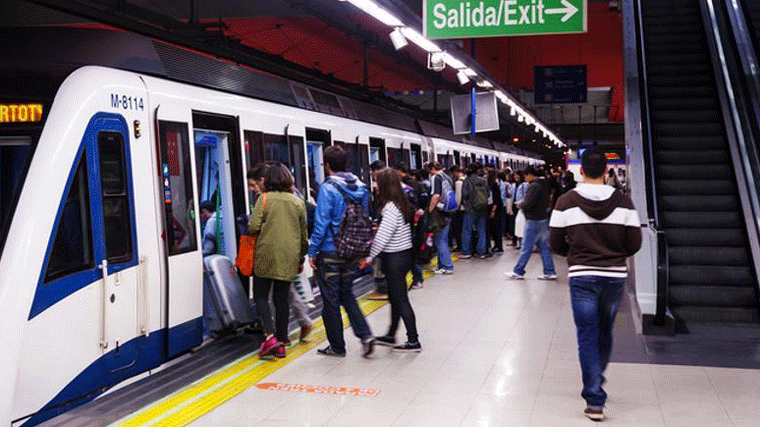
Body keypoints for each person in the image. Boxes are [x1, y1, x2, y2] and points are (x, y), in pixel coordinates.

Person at [549, 147, 642, 421]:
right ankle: (596, 379)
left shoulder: (565, 202)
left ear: (581, 171)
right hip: (614, 277)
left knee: (587, 334)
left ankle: (594, 398)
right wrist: (613, 256)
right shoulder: (624, 202)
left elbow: (555, 242)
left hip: (582, 277)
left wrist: (577, 257)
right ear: (606, 171)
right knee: (605, 331)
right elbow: (634, 243)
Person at [308, 145, 375, 358]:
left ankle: (337, 346)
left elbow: (321, 224)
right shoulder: (362, 188)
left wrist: (312, 251)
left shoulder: (328, 189)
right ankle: (365, 334)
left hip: (330, 250)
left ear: (326, 165)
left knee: (330, 300)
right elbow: (365, 219)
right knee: (347, 294)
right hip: (352, 250)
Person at [248, 163, 309, 359]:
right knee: (281, 299)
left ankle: (270, 336)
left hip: (266, 254)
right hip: (289, 256)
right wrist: (300, 259)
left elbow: (252, 226)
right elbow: (303, 235)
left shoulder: (264, 199)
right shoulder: (298, 202)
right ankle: (282, 341)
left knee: (260, 296)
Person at [359, 169, 421, 352]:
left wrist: (369, 257)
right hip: (402, 255)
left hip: (395, 258)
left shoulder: (391, 208)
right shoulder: (400, 204)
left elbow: (382, 238)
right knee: (395, 298)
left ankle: (413, 340)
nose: (375, 186)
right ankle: (391, 334)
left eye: (378, 182)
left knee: (400, 299)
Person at [505, 166, 557, 280]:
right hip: (543, 219)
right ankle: (549, 271)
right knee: (543, 247)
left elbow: (528, 203)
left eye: (526, 175)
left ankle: (518, 271)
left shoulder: (534, 186)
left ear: (531, 175)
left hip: (533, 220)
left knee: (526, 246)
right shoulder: (544, 184)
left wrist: (520, 204)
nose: (525, 178)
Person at [396, 162, 425, 290]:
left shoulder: (403, 192)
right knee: (412, 255)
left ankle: (417, 278)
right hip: (413, 227)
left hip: (407, 229)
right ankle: (416, 279)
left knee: (411, 256)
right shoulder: (413, 188)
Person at [427, 162, 456, 274]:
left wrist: (430, 210)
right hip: (449, 210)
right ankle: (441, 266)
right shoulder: (448, 177)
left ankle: (447, 266)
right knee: (443, 238)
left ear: (433, 169)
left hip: (440, 211)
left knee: (440, 240)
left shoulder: (436, 178)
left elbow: (436, 195)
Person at [368, 160, 388, 300]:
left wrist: (379, 224)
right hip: (382, 226)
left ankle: (384, 289)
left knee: (381, 259)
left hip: (382, 229)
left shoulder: (384, 190)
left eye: (372, 171)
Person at [460, 163, 489, 259]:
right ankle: (481, 252)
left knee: (467, 230)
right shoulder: (484, 181)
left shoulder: (467, 180)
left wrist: (466, 204)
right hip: (482, 209)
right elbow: (488, 194)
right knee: (481, 230)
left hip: (470, 209)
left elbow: (464, 195)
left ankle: (466, 251)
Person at [488, 169, 504, 253]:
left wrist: (493, 211)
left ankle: (499, 246)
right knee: (494, 229)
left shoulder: (494, 185)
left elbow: (496, 200)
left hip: (495, 210)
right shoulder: (494, 185)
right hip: (495, 209)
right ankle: (497, 245)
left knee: (496, 229)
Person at [451, 165, 465, 253]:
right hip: (466, 208)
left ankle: (460, 246)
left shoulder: (458, 183)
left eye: (453, 173)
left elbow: (458, 198)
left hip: (460, 210)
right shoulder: (466, 180)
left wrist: (455, 208)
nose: (452, 175)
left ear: (456, 172)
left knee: (458, 229)